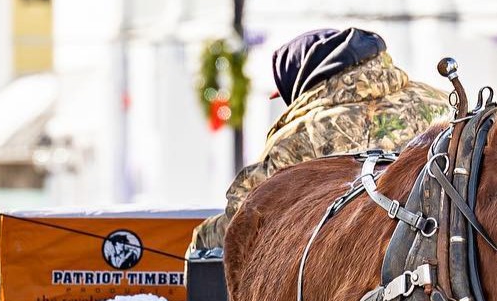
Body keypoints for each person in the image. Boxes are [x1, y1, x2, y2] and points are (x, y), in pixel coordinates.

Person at [188, 27, 448, 255]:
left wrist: (200, 239)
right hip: (454, 270)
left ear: (303, 85)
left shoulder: (303, 135)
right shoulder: (442, 104)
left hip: (344, 288)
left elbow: (245, 222)